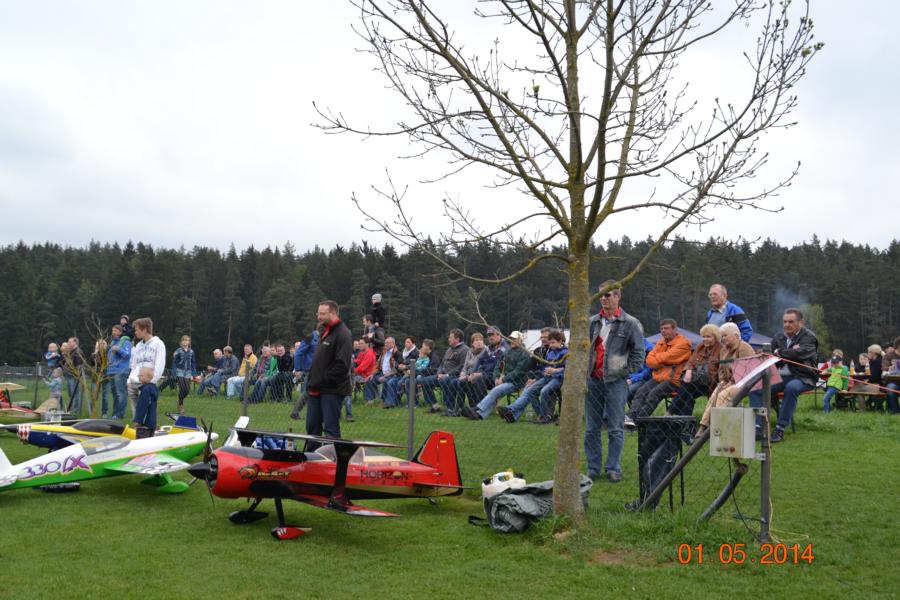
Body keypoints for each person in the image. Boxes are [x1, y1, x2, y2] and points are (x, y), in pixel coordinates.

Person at [584, 280, 645, 483]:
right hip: (593, 381)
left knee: (616, 428)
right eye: (600, 295)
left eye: (608, 295)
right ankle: (593, 468)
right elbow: (583, 350)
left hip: (616, 382)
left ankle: (613, 468)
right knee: (591, 429)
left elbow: (639, 356)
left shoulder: (631, 323)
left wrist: (622, 373)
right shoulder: (592, 322)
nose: (603, 298)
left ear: (618, 296)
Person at [748, 308, 819, 442]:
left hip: (804, 377)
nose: (787, 325)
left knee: (791, 388)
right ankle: (758, 428)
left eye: (791, 322)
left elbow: (801, 353)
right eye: (785, 322)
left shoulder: (809, 337)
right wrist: (788, 352)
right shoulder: (779, 337)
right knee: (756, 388)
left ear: (801, 322)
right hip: (781, 378)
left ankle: (779, 429)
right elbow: (768, 353)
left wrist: (779, 352)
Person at [625, 319, 692, 427]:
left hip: (673, 380)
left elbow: (667, 357)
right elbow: (649, 361)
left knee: (653, 394)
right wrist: (662, 360)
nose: (663, 331)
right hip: (658, 377)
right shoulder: (661, 342)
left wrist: (658, 359)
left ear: (674, 329)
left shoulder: (684, 343)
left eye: (666, 328)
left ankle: (639, 422)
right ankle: (630, 418)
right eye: (661, 329)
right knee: (641, 392)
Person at [305, 300, 353, 446]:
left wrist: (322, 379)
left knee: (330, 430)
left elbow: (342, 365)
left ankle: (331, 458)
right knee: (312, 427)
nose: (318, 316)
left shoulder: (343, 334)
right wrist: (312, 380)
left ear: (333, 313)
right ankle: (311, 456)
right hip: (315, 389)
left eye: (322, 313)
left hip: (332, 390)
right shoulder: (324, 332)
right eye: (318, 313)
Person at [696, 322, 755, 435]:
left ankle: (717, 428)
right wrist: (722, 381)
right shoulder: (724, 350)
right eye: (722, 336)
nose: (723, 339)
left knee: (722, 396)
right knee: (714, 396)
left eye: (725, 335)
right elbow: (721, 369)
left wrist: (731, 382)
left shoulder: (744, 348)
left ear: (736, 336)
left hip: (745, 382)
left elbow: (745, 371)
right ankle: (703, 426)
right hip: (728, 382)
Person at [498, 329, 568, 424]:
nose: (547, 341)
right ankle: (542, 416)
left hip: (557, 378)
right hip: (545, 377)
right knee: (531, 390)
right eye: (542, 337)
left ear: (560, 341)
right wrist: (540, 374)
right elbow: (537, 367)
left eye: (548, 340)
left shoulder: (565, 352)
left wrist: (554, 371)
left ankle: (514, 411)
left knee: (543, 391)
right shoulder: (542, 351)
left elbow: (567, 368)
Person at [463, 331, 530, 420]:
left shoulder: (524, 353)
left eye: (514, 339)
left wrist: (504, 379)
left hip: (516, 382)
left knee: (496, 390)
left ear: (520, 340)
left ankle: (477, 409)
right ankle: (479, 414)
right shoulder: (507, 351)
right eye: (511, 338)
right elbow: (497, 366)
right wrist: (496, 378)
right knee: (495, 389)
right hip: (502, 380)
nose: (512, 341)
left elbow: (518, 371)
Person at [668, 324, 720, 417]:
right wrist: (688, 370)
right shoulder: (700, 347)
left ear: (716, 337)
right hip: (696, 381)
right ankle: (685, 422)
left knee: (686, 386)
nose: (705, 339)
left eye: (708, 337)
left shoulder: (721, 349)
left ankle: (671, 411)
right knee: (688, 394)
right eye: (704, 336)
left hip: (711, 383)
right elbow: (691, 362)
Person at [127, 318, 166, 419]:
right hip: (134, 381)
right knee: (135, 409)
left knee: (146, 407)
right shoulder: (138, 346)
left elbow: (160, 364)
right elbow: (134, 364)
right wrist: (130, 379)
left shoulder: (158, 344)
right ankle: (136, 423)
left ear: (144, 329)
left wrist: (151, 381)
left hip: (147, 382)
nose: (135, 332)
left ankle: (146, 425)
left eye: (137, 330)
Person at [430, 329, 469, 415]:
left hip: (454, 375)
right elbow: (442, 364)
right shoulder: (449, 349)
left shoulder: (465, 350)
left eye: (450, 337)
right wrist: (439, 373)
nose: (448, 339)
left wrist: (447, 375)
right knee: (424, 381)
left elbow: (461, 366)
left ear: (457, 339)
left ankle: (449, 407)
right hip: (441, 375)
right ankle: (435, 406)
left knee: (445, 381)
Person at [102, 324, 132, 420]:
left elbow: (127, 355)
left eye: (115, 330)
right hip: (111, 371)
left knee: (121, 393)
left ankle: (120, 415)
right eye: (112, 330)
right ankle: (115, 414)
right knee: (115, 394)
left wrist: (118, 349)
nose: (113, 332)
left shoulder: (125, 342)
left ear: (120, 332)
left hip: (121, 371)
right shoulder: (112, 343)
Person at [851, 344, 884, 411]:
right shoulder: (875, 361)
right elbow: (869, 374)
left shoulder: (877, 362)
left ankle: (863, 409)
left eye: (868, 352)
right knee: (859, 388)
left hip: (878, 386)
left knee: (859, 390)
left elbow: (874, 376)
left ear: (873, 353)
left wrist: (867, 381)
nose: (868, 354)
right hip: (875, 384)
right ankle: (864, 408)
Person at [171, 335, 197, 415]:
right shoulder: (178, 351)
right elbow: (175, 362)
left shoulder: (192, 352)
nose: (185, 342)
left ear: (189, 342)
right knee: (182, 388)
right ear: (181, 342)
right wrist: (174, 372)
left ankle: (179, 400)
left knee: (187, 390)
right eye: (184, 340)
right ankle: (181, 405)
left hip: (188, 372)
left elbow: (193, 363)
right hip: (180, 371)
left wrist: (194, 374)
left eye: (187, 340)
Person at [132, 366, 159, 438]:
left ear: (148, 377)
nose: (139, 376)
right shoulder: (153, 388)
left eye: (141, 375)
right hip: (151, 423)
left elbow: (143, 406)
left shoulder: (146, 390)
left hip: (144, 424)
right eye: (139, 375)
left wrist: (138, 421)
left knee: (141, 442)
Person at [61, 337, 86, 415]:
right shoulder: (70, 352)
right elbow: (64, 363)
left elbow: (79, 365)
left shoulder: (78, 351)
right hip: (69, 375)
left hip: (74, 376)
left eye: (70, 342)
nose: (68, 343)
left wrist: (77, 375)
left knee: (75, 393)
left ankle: (75, 410)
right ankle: (72, 409)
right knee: (71, 394)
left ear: (75, 342)